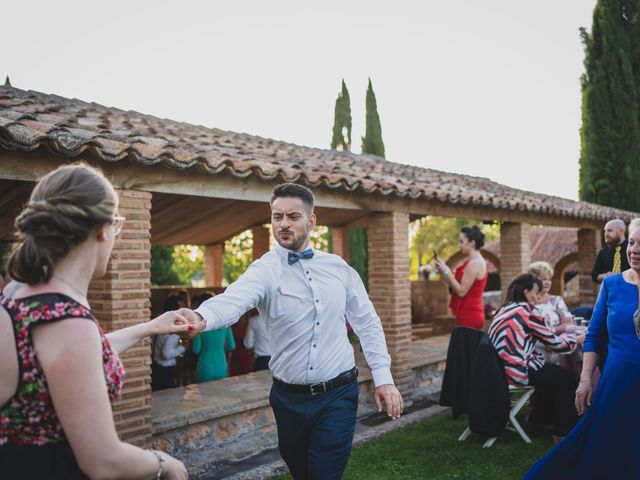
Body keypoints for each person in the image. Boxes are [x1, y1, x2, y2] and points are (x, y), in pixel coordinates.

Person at [180, 182, 403, 480]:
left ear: (311, 221)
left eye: (293, 216)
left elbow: (367, 322)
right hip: (288, 400)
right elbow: (233, 300)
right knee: (301, 472)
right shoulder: (264, 270)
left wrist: (383, 379)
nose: (283, 224)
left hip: (338, 393)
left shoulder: (339, 268)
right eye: (276, 216)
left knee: (323, 474)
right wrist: (200, 316)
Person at [0, 163, 188, 479]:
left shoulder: (18, 292)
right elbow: (103, 460)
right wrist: (165, 464)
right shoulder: (68, 322)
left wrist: (152, 326)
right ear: (102, 230)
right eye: (117, 224)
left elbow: (71, 361)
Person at [525, 225, 640, 478]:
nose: (635, 250)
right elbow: (595, 335)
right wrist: (586, 378)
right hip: (618, 378)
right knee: (607, 442)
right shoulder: (611, 285)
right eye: (632, 243)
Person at [489, 273, 579, 443]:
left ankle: (539, 420)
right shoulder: (529, 312)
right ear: (526, 292)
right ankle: (563, 433)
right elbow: (555, 344)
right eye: (536, 293)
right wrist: (576, 340)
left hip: (499, 368)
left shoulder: (503, 309)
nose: (539, 297)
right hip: (516, 370)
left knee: (550, 374)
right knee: (567, 379)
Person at [435, 225, 488, 330]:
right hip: (465, 312)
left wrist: (447, 271)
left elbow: (461, 291)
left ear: (472, 243)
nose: (459, 245)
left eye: (461, 242)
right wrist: (443, 271)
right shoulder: (471, 262)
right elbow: (454, 284)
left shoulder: (475, 263)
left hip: (470, 315)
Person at [192, 292, 236, 382]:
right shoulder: (225, 323)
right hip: (221, 366)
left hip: (204, 367)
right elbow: (231, 346)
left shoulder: (200, 324)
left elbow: (196, 349)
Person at [152, 294, 187, 391]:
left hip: (157, 367)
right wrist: (183, 348)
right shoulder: (173, 329)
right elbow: (166, 353)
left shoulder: (162, 322)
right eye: (181, 307)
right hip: (165, 371)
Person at [592, 218, 629, 283]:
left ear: (621, 231)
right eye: (605, 231)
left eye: (609, 230)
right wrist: (604, 276)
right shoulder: (603, 252)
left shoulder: (632, 250)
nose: (606, 234)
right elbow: (594, 275)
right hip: (610, 291)